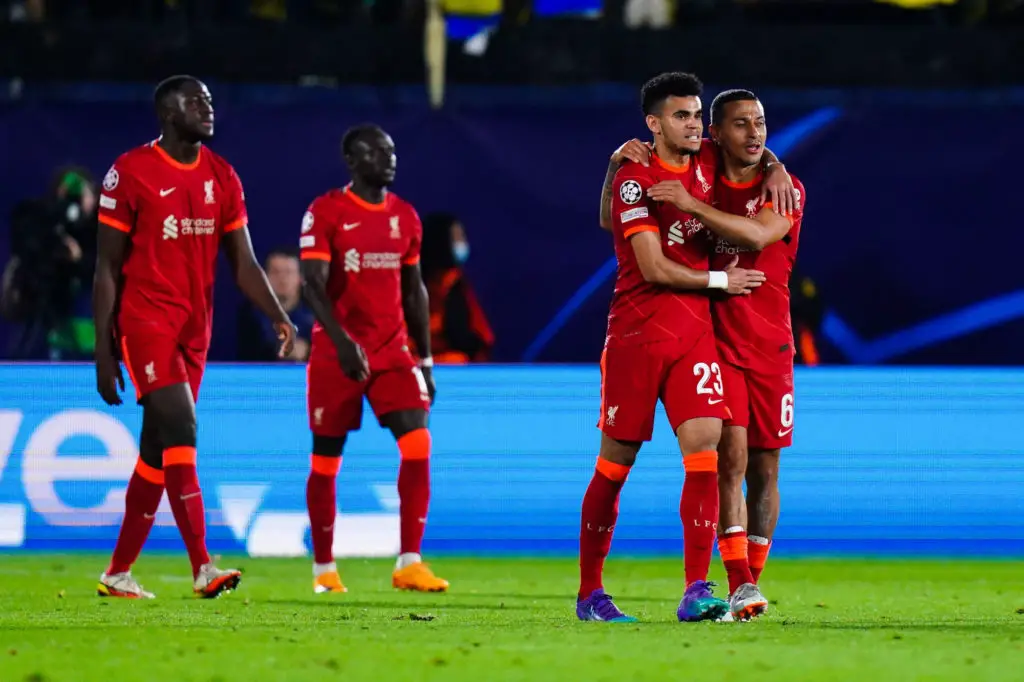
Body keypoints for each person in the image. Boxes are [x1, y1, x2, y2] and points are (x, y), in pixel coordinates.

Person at [578, 72, 779, 624]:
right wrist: (721, 281)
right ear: (654, 123)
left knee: (704, 452)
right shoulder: (636, 178)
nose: (693, 125)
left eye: (696, 115)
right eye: (680, 116)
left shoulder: (707, 160)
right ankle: (590, 592)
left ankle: (696, 589)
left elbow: (751, 145)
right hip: (637, 336)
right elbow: (652, 266)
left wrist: (777, 167)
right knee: (615, 466)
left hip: (694, 336)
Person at [93, 75, 296, 599]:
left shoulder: (222, 175)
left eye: (209, 100)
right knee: (182, 426)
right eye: (195, 102)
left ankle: (117, 573)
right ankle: (203, 566)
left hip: (194, 329)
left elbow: (244, 261)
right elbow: (107, 267)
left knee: (156, 452)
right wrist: (103, 349)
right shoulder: (129, 172)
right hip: (145, 321)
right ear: (167, 113)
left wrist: (278, 314)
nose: (208, 108)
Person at [299, 123, 447, 594]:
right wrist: (343, 342)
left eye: (392, 151)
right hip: (337, 352)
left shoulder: (405, 216)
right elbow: (312, 285)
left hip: (392, 350)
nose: (389, 159)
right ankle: (324, 569)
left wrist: (426, 360)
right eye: (377, 152)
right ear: (351, 161)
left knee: (418, 442)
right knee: (326, 459)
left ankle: (409, 562)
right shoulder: (326, 211)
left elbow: (414, 290)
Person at [420, 212, 494, 363]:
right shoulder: (408, 287)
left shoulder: (459, 286)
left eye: (462, 238)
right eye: (456, 238)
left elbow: (482, 340)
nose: (461, 244)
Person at [237, 247, 315, 362]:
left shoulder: (316, 315)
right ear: (265, 276)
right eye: (276, 272)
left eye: (288, 272)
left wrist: (308, 351)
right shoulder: (252, 315)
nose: (282, 279)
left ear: (301, 278)